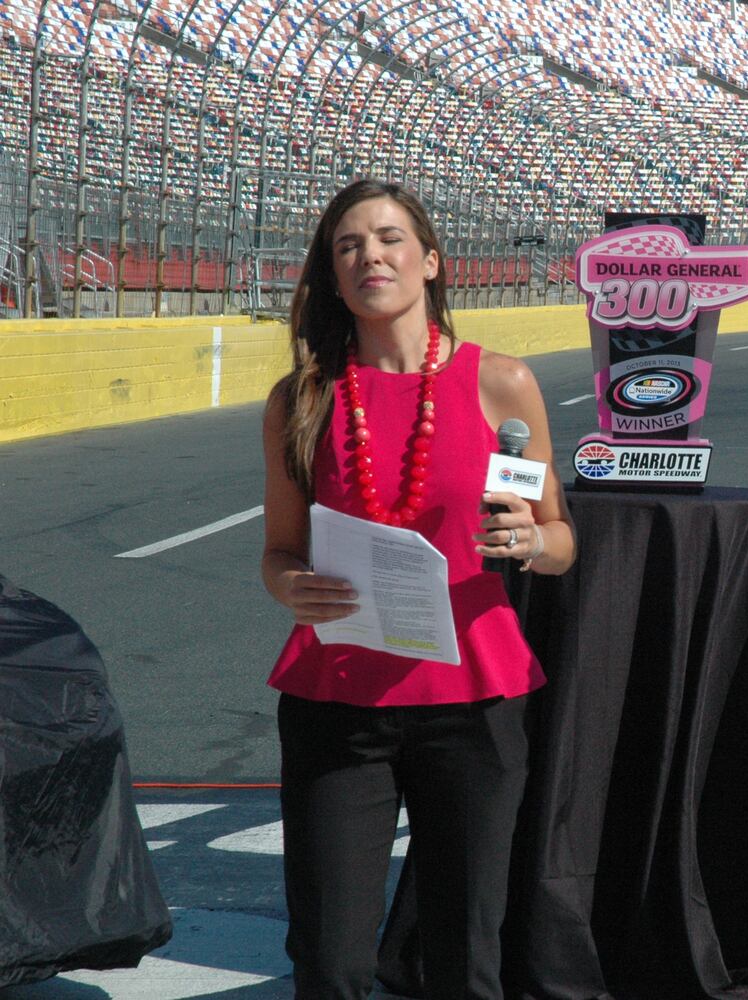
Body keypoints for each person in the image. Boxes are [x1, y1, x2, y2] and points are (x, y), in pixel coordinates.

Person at [260, 178, 575, 1000]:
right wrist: (293, 587)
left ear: (431, 261)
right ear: (333, 277)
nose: (370, 255)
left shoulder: (503, 384)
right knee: (330, 961)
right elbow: (278, 553)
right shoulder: (301, 400)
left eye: (389, 238)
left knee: (464, 959)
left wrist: (532, 541)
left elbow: (560, 539)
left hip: (474, 702)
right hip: (337, 701)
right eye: (348, 245)